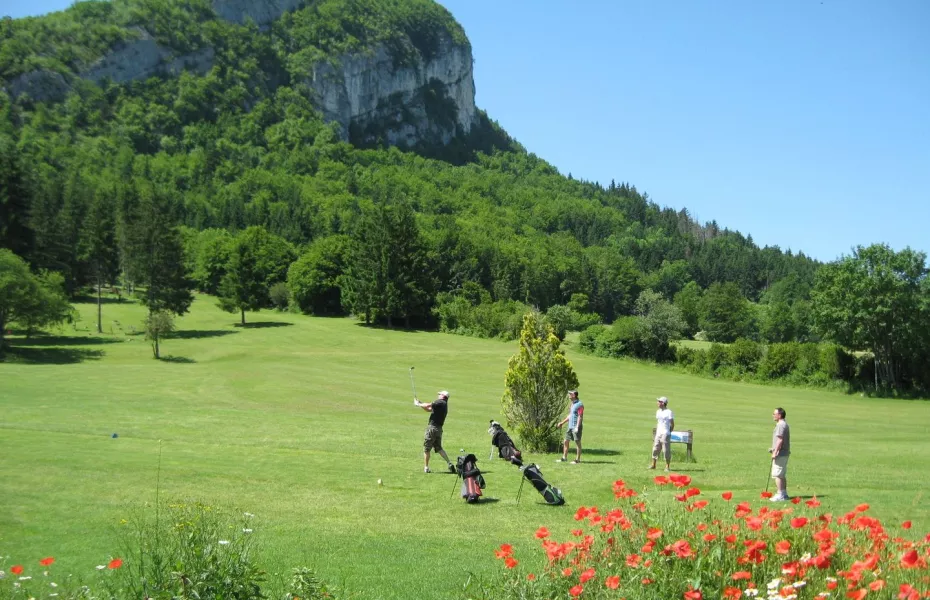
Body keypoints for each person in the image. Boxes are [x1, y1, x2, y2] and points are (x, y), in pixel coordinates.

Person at [414, 390, 456, 474]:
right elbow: (428, 409)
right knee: (439, 448)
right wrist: (420, 403)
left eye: (440, 394)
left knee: (426, 448)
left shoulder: (440, 402)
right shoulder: (443, 405)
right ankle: (449, 463)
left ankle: (426, 467)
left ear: (443, 396)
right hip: (438, 429)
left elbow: (429, 405)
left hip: (432, 428)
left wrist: (418, 404)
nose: (438, 395)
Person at [769, 407, 791, 501]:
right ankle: (784, 494)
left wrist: (775, 452)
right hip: (783, 452)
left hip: (780, 453)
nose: (773, 415)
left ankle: (780, 494)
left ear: (779, 415)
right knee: (781, 474)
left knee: (777, 474)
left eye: (774, 414)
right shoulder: (783, 424)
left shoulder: (781, 425)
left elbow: (780, 440)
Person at [556, 390, 584, 464]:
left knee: (577, 442)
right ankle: (564, 458)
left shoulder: (580, 404)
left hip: (576, 426)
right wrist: (562, 423)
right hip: (570, 426)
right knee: (565, 441)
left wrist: (577, 427)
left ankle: (577, 460)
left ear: (574, 395)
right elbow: (570, 416)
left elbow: (580, 416)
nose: (569, 394)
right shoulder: (572, 404)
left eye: (570, 394)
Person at [649, 396, 675, 471]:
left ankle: (667, 466)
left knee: (666, 450)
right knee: (655, 449)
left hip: (665, 433)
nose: (657, 403)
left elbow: (672, 424)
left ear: (663, 403)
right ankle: (653, 465)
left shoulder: (669, 412)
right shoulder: (658, 411)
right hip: (658, 433)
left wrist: (669, 432)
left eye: (659, 401)